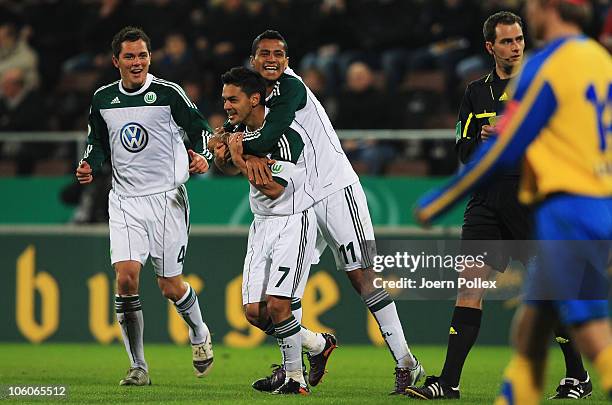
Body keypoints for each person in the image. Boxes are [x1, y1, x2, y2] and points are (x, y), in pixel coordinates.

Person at [413, 0, 612, 403]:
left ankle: (578, 376)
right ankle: (450, 383)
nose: (516, 45)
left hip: (545, 204)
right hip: (513, 203)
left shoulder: (541, 73)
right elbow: (465, 147)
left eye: (521, 35)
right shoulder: (598, 59)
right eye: (507, 41)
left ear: (545, 11)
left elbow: (509, 147)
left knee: (568, 315)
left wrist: (438, 201)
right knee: (501, 301)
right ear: (491, 47)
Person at [234, 30, 425, 394]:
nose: (271, 59)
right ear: (253, 59)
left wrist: (237, 144)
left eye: (278, 53)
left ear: (287, 60)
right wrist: (227, 140)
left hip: (335, 190)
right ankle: (303, 360)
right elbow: (237, 131)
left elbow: (269, 134)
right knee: (281, 297)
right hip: (298, 200)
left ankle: (406, 363)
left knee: (361, 276)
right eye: (264, 54)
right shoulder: (254, 96)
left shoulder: (290, 88)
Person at [75, 26, 214, 386]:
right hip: (124, 200)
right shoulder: (103, 98)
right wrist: (90, 163)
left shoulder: (168, 93)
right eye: (129, 56)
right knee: (125, 278)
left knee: (170, 286)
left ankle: (199, 331)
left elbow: (198, 127)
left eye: (142, 56)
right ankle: (138, 366)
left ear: (150, 58)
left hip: (167, 197)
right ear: (115, 61)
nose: (137, 62)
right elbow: (97, 141)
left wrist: (202, 154)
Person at [218, 66, 322, 395]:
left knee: (279, 306)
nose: (227, 106)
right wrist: (224, 156)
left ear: (254, 99)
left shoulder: (284, 136)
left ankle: (295, 379)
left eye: (233, 100)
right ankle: (317, 345)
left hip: (294, 220)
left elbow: (275, 189)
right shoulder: (237, 131)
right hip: (261, 224)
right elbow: (225, 166)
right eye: (224, 99)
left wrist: (237, 157)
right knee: (253, 312)